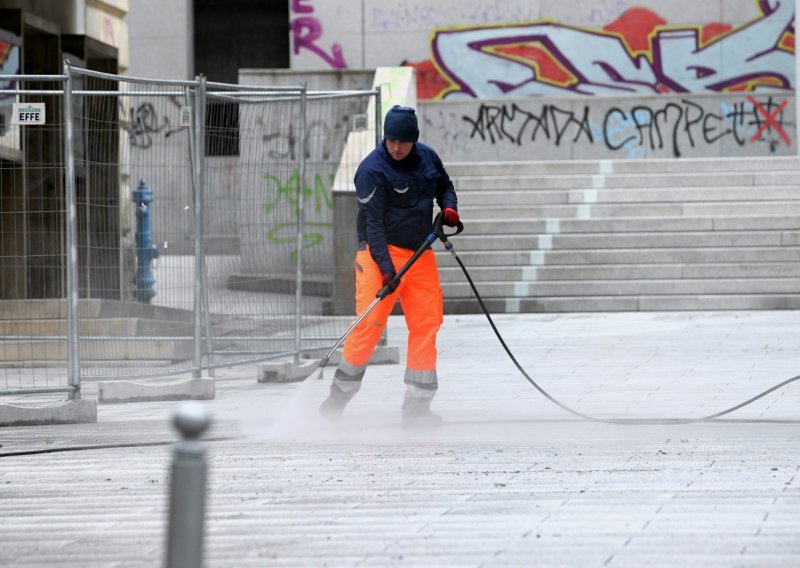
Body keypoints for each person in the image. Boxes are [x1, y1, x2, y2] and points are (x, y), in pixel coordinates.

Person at [319, 105, 460, 428]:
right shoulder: (372, 170)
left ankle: (417, 407)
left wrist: (449, 208)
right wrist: (386, 270)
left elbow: (445, 187)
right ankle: (335, 402)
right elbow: (374, 227)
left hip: (419, 253)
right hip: (378, 254)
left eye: (403, 142)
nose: (396, 147)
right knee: (368, 327)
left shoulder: (428, 158)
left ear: (414, 140)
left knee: (426, 325)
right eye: (391, 140)